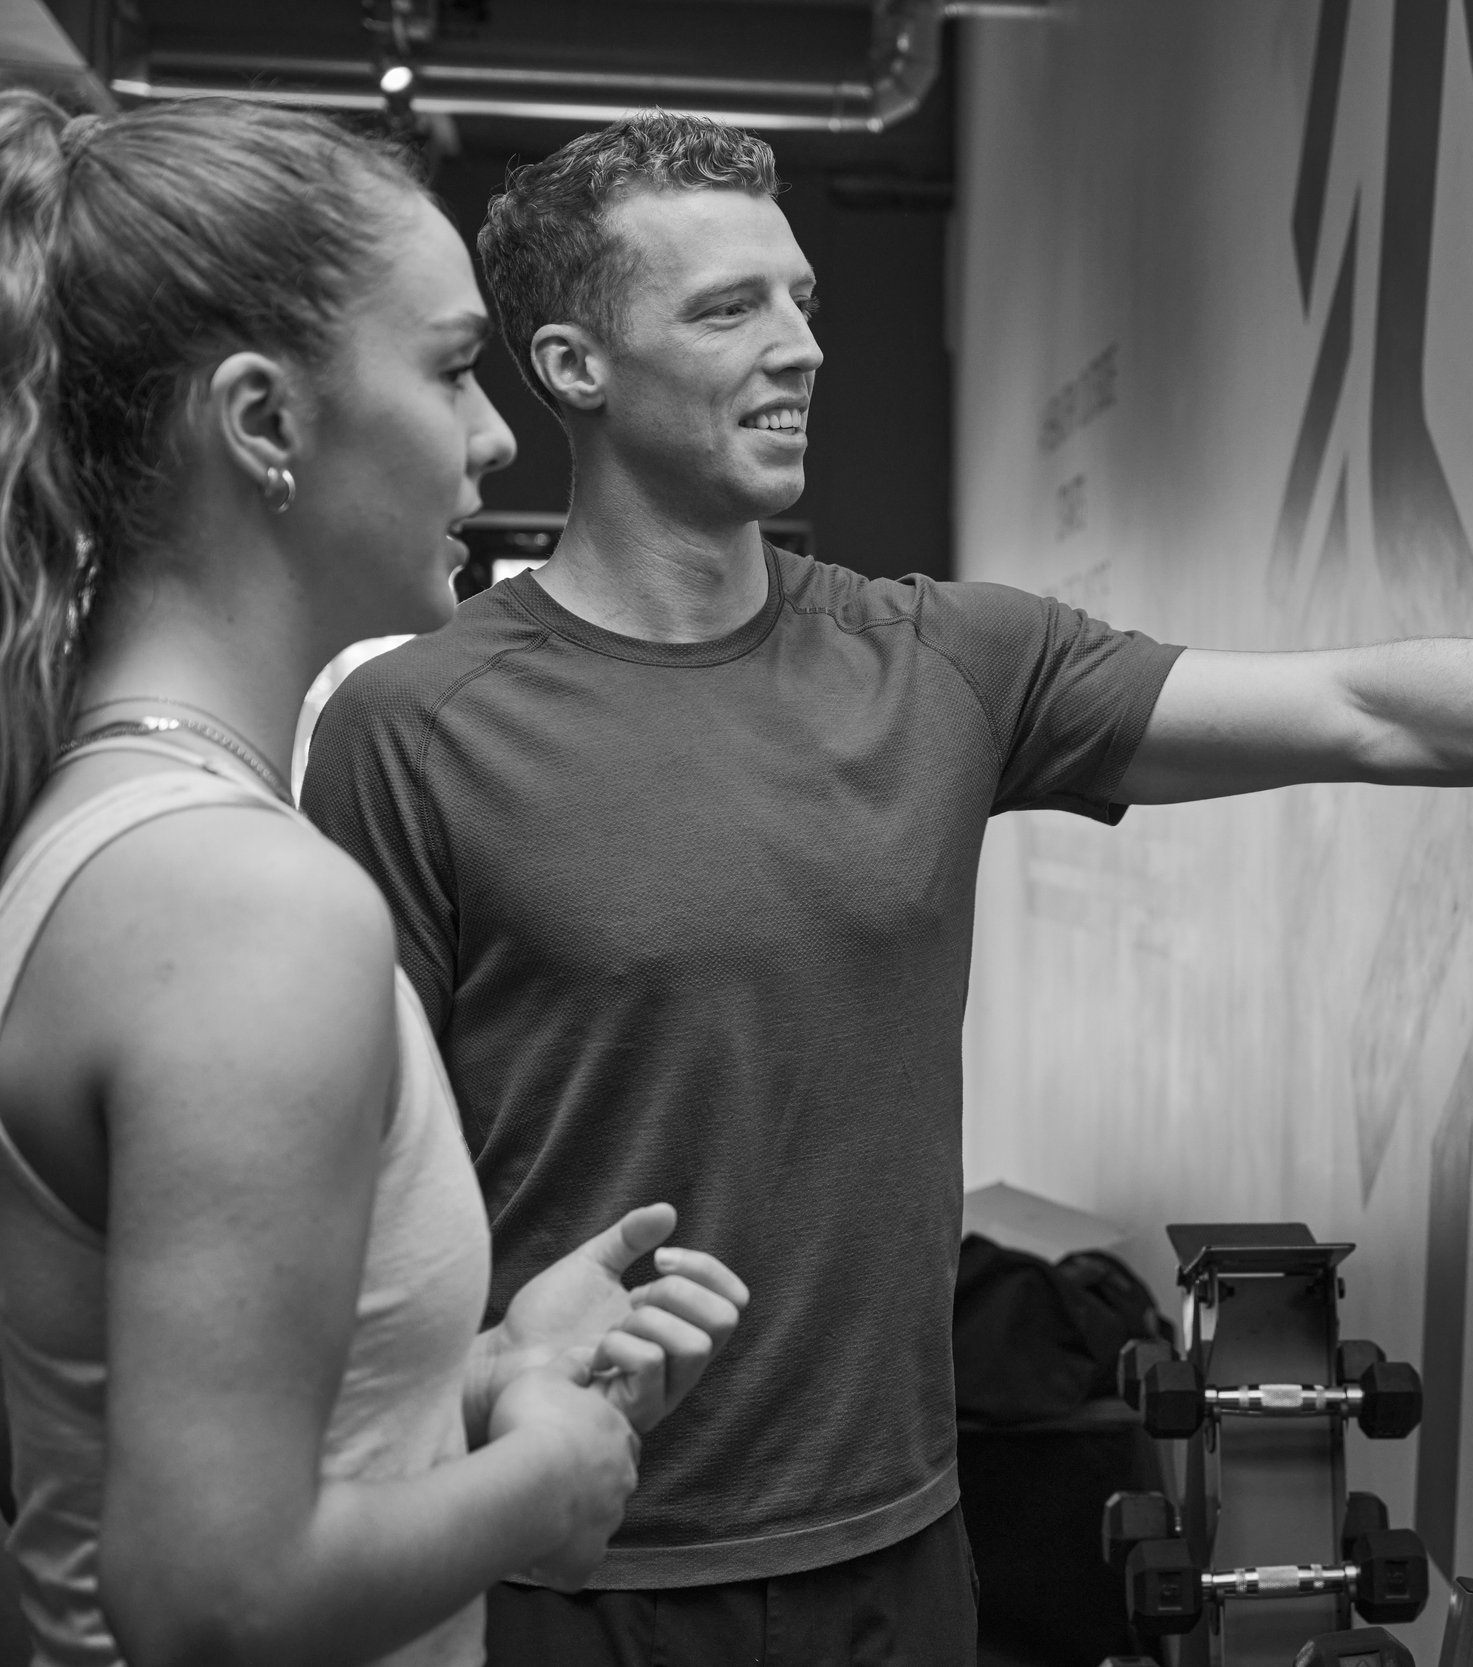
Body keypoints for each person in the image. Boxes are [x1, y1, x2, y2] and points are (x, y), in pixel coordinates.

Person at [302, 110, 1473, 1662]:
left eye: (802, 298)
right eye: (731, 309)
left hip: (897, 1553)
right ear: (573, 364)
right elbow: (339, 1212)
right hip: (555, 1565)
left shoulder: (942, 662)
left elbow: (1366, 710)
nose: (804, 345)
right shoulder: (414, 725)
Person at [0, 94, 750, 1667]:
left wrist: (481, 1377)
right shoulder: (244, 906)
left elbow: (201, 1431)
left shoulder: (124, 827)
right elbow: (210, 1600)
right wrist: (546, 1477)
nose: (493, 436)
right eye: (451, 365)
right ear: (265, 425)